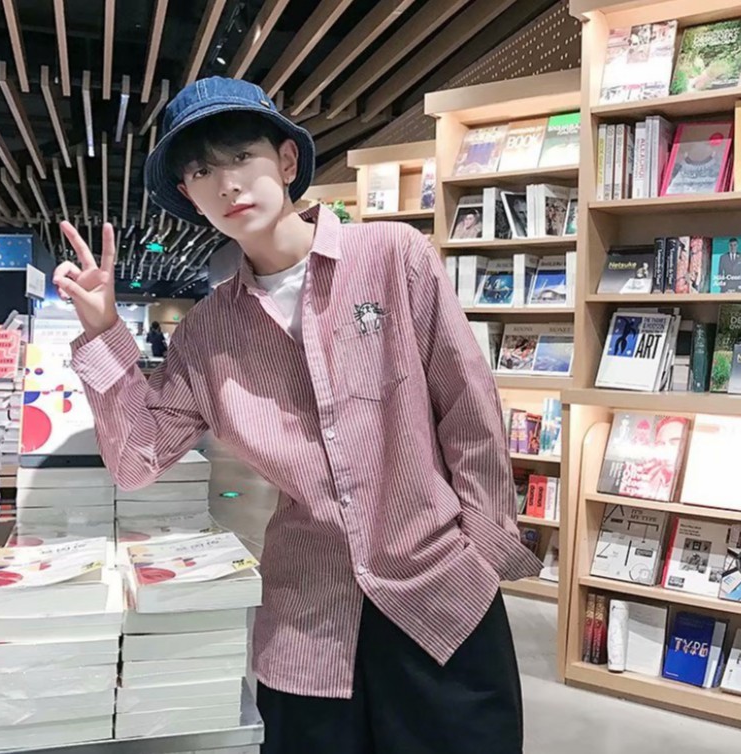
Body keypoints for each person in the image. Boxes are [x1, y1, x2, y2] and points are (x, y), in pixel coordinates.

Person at [53, 78, 541, 754]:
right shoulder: (208, 333)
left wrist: (481, 555)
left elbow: (468, 407)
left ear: (286, 161)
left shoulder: (392, 257)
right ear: (188, 195)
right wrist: (103, 331)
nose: (227, 183)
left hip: (440, 595)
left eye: (240, 156)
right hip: (309, 622)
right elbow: (136, 460)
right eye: (201, 172)